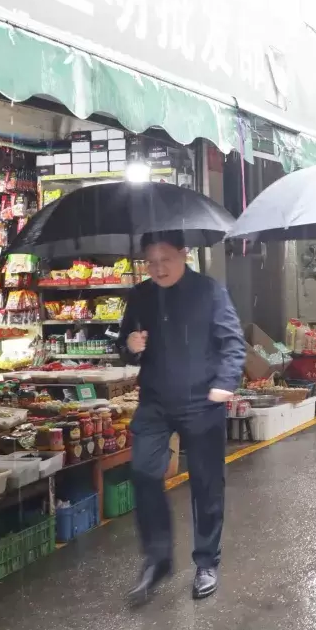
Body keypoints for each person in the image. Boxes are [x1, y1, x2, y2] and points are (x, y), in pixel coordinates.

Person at [119, 231, 247, 607]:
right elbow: (123, 343)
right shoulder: (140, 295)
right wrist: (130, 346)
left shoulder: (209, 291)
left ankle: (206, 562)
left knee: (206, 484)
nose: (158, 269)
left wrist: (225, 383)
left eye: (166, 260)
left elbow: (233, 343)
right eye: (151, 262)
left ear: (183, 254)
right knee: (144, 472)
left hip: (202, 400)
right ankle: (157, 558)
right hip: (155, 401)